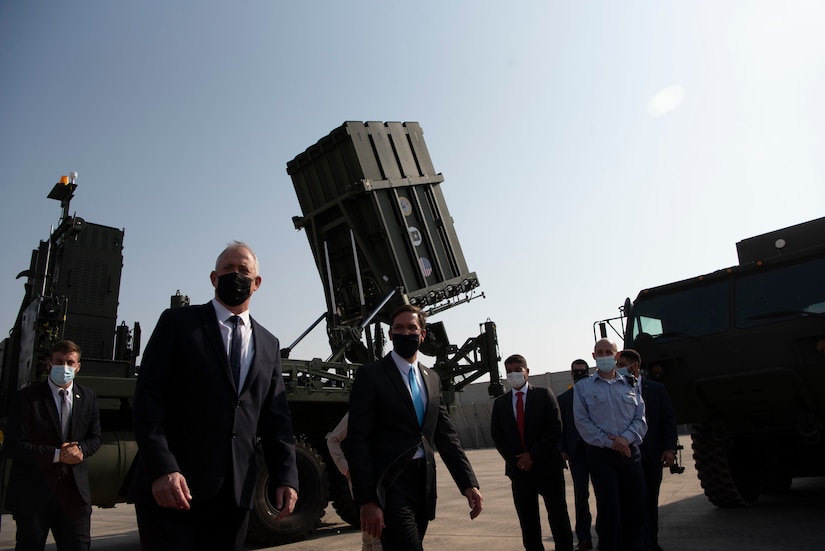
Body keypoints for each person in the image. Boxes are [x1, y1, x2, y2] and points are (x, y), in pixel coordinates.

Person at [129, 241, 299, 551]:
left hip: (235, 496)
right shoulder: (178, 323)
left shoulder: (269, 344)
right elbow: (148, 400)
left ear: (257, 283)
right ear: (213, 278)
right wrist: (163, 467)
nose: (235, 275)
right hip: (174, 489)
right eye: (227, 269)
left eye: (243, 270)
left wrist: (286, 477)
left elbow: (277, 420)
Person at [346, 304, 483, 550]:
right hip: (390, 482)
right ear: (390, 334)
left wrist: (468, 483)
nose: (405, 332)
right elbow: (358, 440)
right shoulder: (371, 375)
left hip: (423, 482)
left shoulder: (431, 379)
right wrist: (366, 500)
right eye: (398, 327)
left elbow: (446, 435)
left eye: (412, 328)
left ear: (422, 335)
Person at [4, 339, 102, 551]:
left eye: (70, 362)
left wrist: (81, 450)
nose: (64, 367)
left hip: (74, 496)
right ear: (49, 364)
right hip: (34, 495)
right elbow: (12, 445)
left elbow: (95, 438)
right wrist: (57, 454)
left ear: (78, 366)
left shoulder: (88, 397)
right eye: (59, 362)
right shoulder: (26, 398)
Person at [490, 354, 574, 551]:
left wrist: (532, 455)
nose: (514, 375)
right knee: (528, 523)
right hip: (519, 472)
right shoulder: (500, 403)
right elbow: (498, 435)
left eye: (518, 370)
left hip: (548, 468)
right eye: (509, 371)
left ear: (527, 372)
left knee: (558, 518)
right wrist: (516, 460)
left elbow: (555, 428)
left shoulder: (544, 395)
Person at [573, 338, 647, 551]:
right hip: (601, 455)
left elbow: (640, 418)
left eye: (609, 352)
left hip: (629, 454)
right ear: (594, 356)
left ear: (617, 356)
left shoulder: (630, 384)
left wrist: (625, 439)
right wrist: (610, 443)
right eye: (600, 352)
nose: (604, 355)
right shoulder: (583, 387)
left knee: (634, 509)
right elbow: (583, 422)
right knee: (609, 512)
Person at [616, 349, 678, 551]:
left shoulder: (656, 389)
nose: (618, 369)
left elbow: (668, 421)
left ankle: (651, 541)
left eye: (621, 365)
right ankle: (634, 542)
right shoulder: (616, 390)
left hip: (652, 455)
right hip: (626, 456)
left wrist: (670, 448)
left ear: (634, 366)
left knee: (650, 500)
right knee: (630, 502)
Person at [326, 412, 383, 551]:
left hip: (376, 481)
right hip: (368, 485)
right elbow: (332, 440)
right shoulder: (358, 411)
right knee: (377, 539)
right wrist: (346, 470)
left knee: (369, 539)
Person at [557, 359, 594, 551]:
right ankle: (584, 537)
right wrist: (563, 449)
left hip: (597, 451)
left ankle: (606, 534)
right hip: (576, 454)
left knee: (604, 495)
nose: (579, 374)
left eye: (583, 371)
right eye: (576, 371)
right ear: (571, 374)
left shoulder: (596, 395)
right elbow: (559, 427)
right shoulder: (564, 399)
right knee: (581, 497)